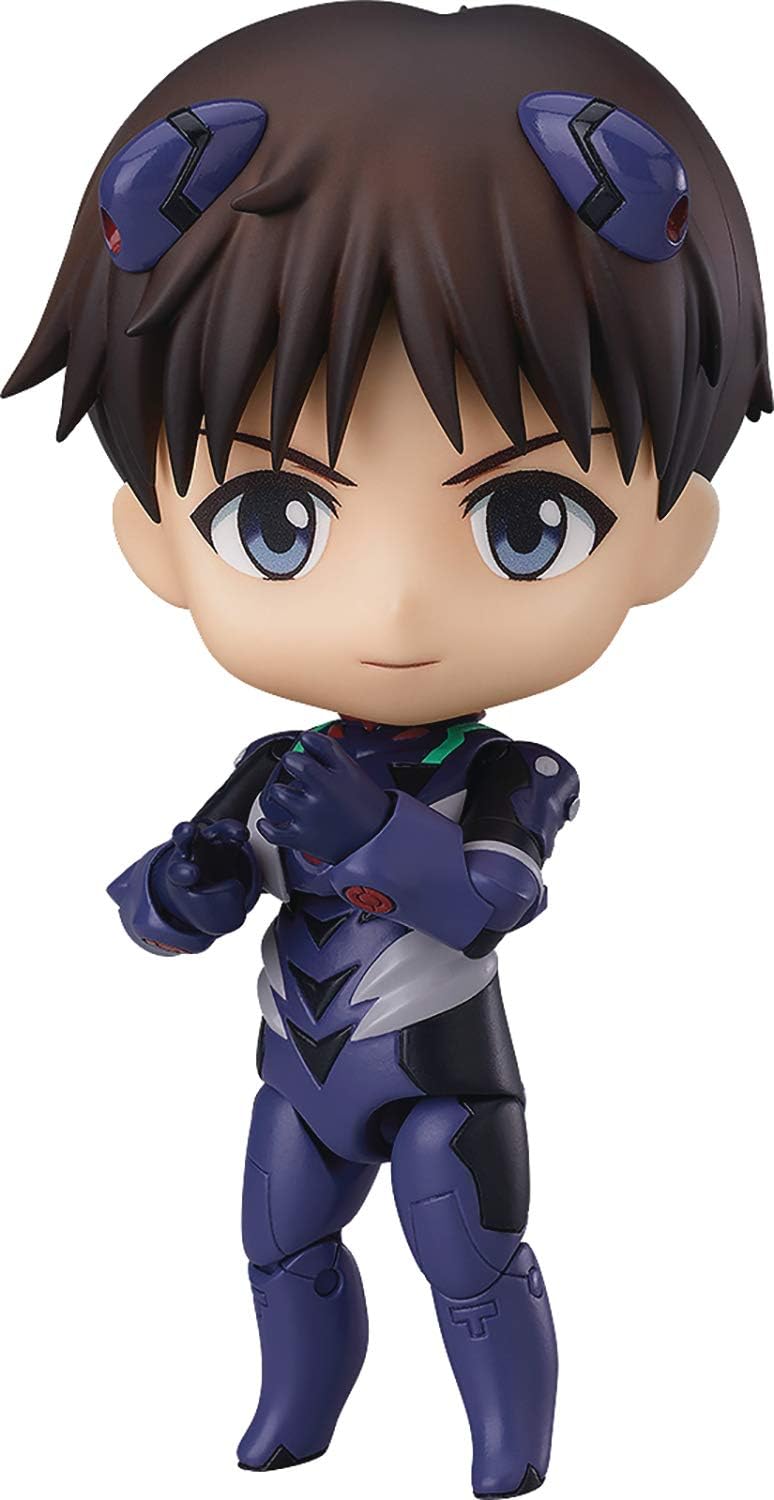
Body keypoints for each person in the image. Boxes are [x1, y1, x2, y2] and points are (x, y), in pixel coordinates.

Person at [4, 5, 769, 1495]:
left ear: (669, 538)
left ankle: (508, 1449)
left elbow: (489, 903)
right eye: (277, 521)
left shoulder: (512, 774)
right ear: (155, 541)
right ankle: (295, 1419)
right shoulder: (272, 763)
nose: (398, 608)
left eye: (524, 520)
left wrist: (371, 832)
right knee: (278, 1243)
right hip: (297, 1064)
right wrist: (182, 883)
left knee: (466, 1253)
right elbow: (171, 908)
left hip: (444, 1081)